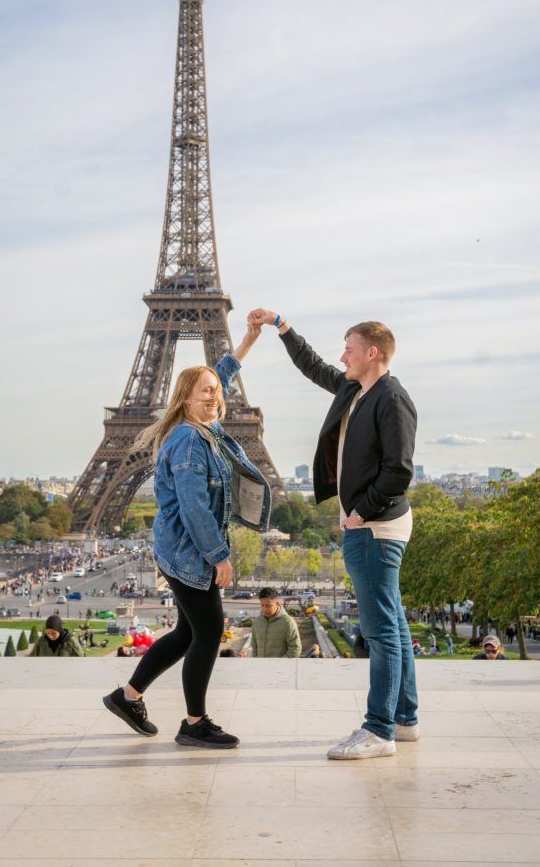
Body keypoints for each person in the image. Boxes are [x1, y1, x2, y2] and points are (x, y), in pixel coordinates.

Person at [249, 309, 418, 760]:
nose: (342, 355)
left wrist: (360, 512)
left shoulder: (391, 398)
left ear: (372, 352)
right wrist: (283, 327)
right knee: (394, 626)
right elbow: (314, 366)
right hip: (372, 523)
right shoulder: (357, 390)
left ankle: (378, 730)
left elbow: (399, 469)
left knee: (380, 631)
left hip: (375, 526)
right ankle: (404, 720)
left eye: (348, 347)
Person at [103, 324, 270, 749]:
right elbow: (196, 509)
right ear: (185, 398)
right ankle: (194, 722)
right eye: (205, 392)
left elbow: (223, 372)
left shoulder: (196, 426)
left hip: (178, 549)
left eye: (216, 390)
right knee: (209, 632)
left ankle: (128, 696)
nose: (214, 396)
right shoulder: (190, 442)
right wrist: (220, 557)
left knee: (187, 633)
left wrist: (249, 337)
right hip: (189, 552)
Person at [251, 587, 302, 658]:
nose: (265, 609)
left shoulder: (288, 622)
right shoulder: (257, 622)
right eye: (262, 605)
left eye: (268, 606)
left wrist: (278, 664)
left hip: (280, 668)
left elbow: (295, 649)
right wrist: (257, 661)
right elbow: (254, 646)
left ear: (277, 604)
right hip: (260, 667)